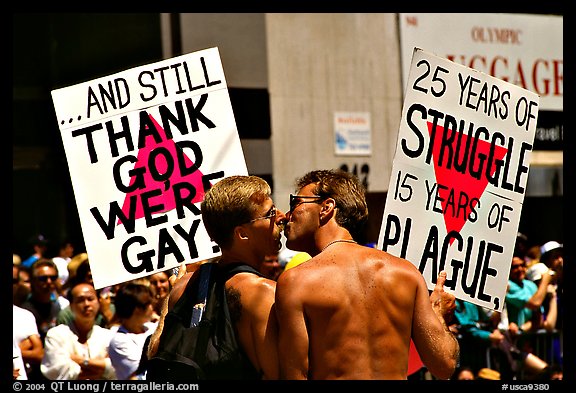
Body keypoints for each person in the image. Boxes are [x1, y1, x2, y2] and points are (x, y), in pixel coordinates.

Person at [276, 169, 459, 380]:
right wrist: (438, 315)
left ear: (326, 208)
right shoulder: (406, 273)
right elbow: (444, 365)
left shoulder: (297, 282)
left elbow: (294, 376)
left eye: (295, 203)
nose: (286, 216)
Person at [147, 175, 286, 380]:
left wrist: (172, 294)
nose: (281, 217)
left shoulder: (184, 284)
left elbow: (154, 352)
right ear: (242, 234)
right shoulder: (263, 293)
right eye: (270, 213)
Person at [41, 280, 117, 380]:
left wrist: (81, 361)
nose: (86, 304)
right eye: (80, 300)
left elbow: (118, 368)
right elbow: (58, 370)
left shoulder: (109, 336)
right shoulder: (56, 335)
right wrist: (101, 367)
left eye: (90, 299)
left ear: (98, 303)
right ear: (71, 306)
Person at [108, 282, 158, 379]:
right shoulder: (119, 340)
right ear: (137, 309)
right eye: (148, 304)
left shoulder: (151, 327)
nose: (152, 307)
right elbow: (139, 376)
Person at [20, 259, 67, 342]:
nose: (49, 282)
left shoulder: (59, 307)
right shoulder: (24, 312)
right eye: (43, 278)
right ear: (32, 281)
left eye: (53, 278)